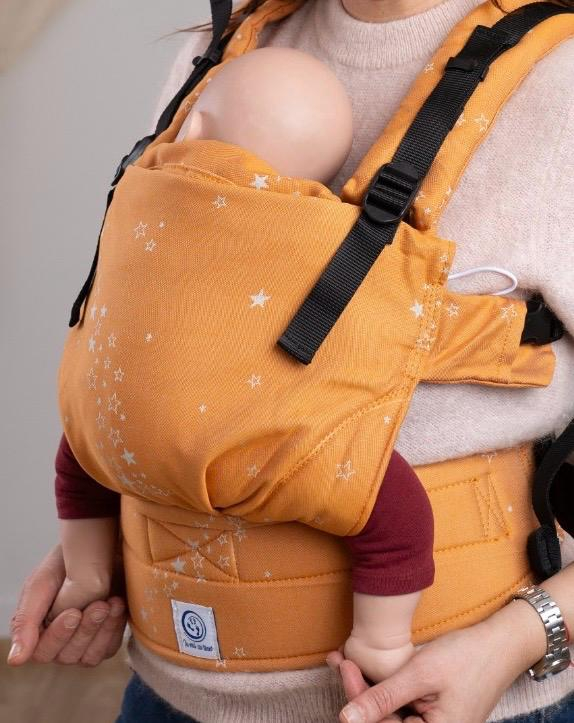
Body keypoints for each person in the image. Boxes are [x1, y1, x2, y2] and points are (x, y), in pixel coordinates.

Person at [7, 0, 574, 721]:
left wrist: (520, 639)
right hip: (168, 690)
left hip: (443, 703)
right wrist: (98, 550)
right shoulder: (227, 46)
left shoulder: (561, 84)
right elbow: (166, 334)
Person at [46, 44, 436, 685]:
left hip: (108, 423)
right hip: (253, 442)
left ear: (193, 126)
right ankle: (382, 642)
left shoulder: (147, 177)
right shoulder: (314, 224)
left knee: (77, 461)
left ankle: (85, 574)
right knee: (395, 517)